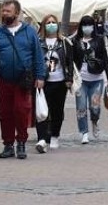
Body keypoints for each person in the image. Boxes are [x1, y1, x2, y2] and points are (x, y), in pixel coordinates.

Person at [0, 0, 45, 159]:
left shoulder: (29, 32)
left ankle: (21, 142)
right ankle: (8, 144)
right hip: (4, 80)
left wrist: (40, 76)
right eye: (3, 11)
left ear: (16, 13)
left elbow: (38, 56)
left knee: (22, 111)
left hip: (23, 80)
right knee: (5, 112)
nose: (4, 14)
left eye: (7, 11)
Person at [35, 14, 74, 153]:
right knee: (42, 111)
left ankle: (55, 135)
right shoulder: (38, 42)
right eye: (48, 22)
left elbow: (70, 62)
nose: (51, 25)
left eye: (53, 22)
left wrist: (69, 79)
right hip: (43, 82)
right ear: (44, 25)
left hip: (59, 81)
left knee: (57, 111)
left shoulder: (64, 42)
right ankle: (42, 139)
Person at [71, 14, 108, 145]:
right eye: (84, 25)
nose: (87, 27)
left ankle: (95, 121)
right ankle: (84, 132)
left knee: (94, 106)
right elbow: (71, 60)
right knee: (81, 106)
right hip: (80, 80)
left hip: (96, 78)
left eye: (89, 25)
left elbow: (105, 58)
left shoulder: (99, 40)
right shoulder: (75, 41)